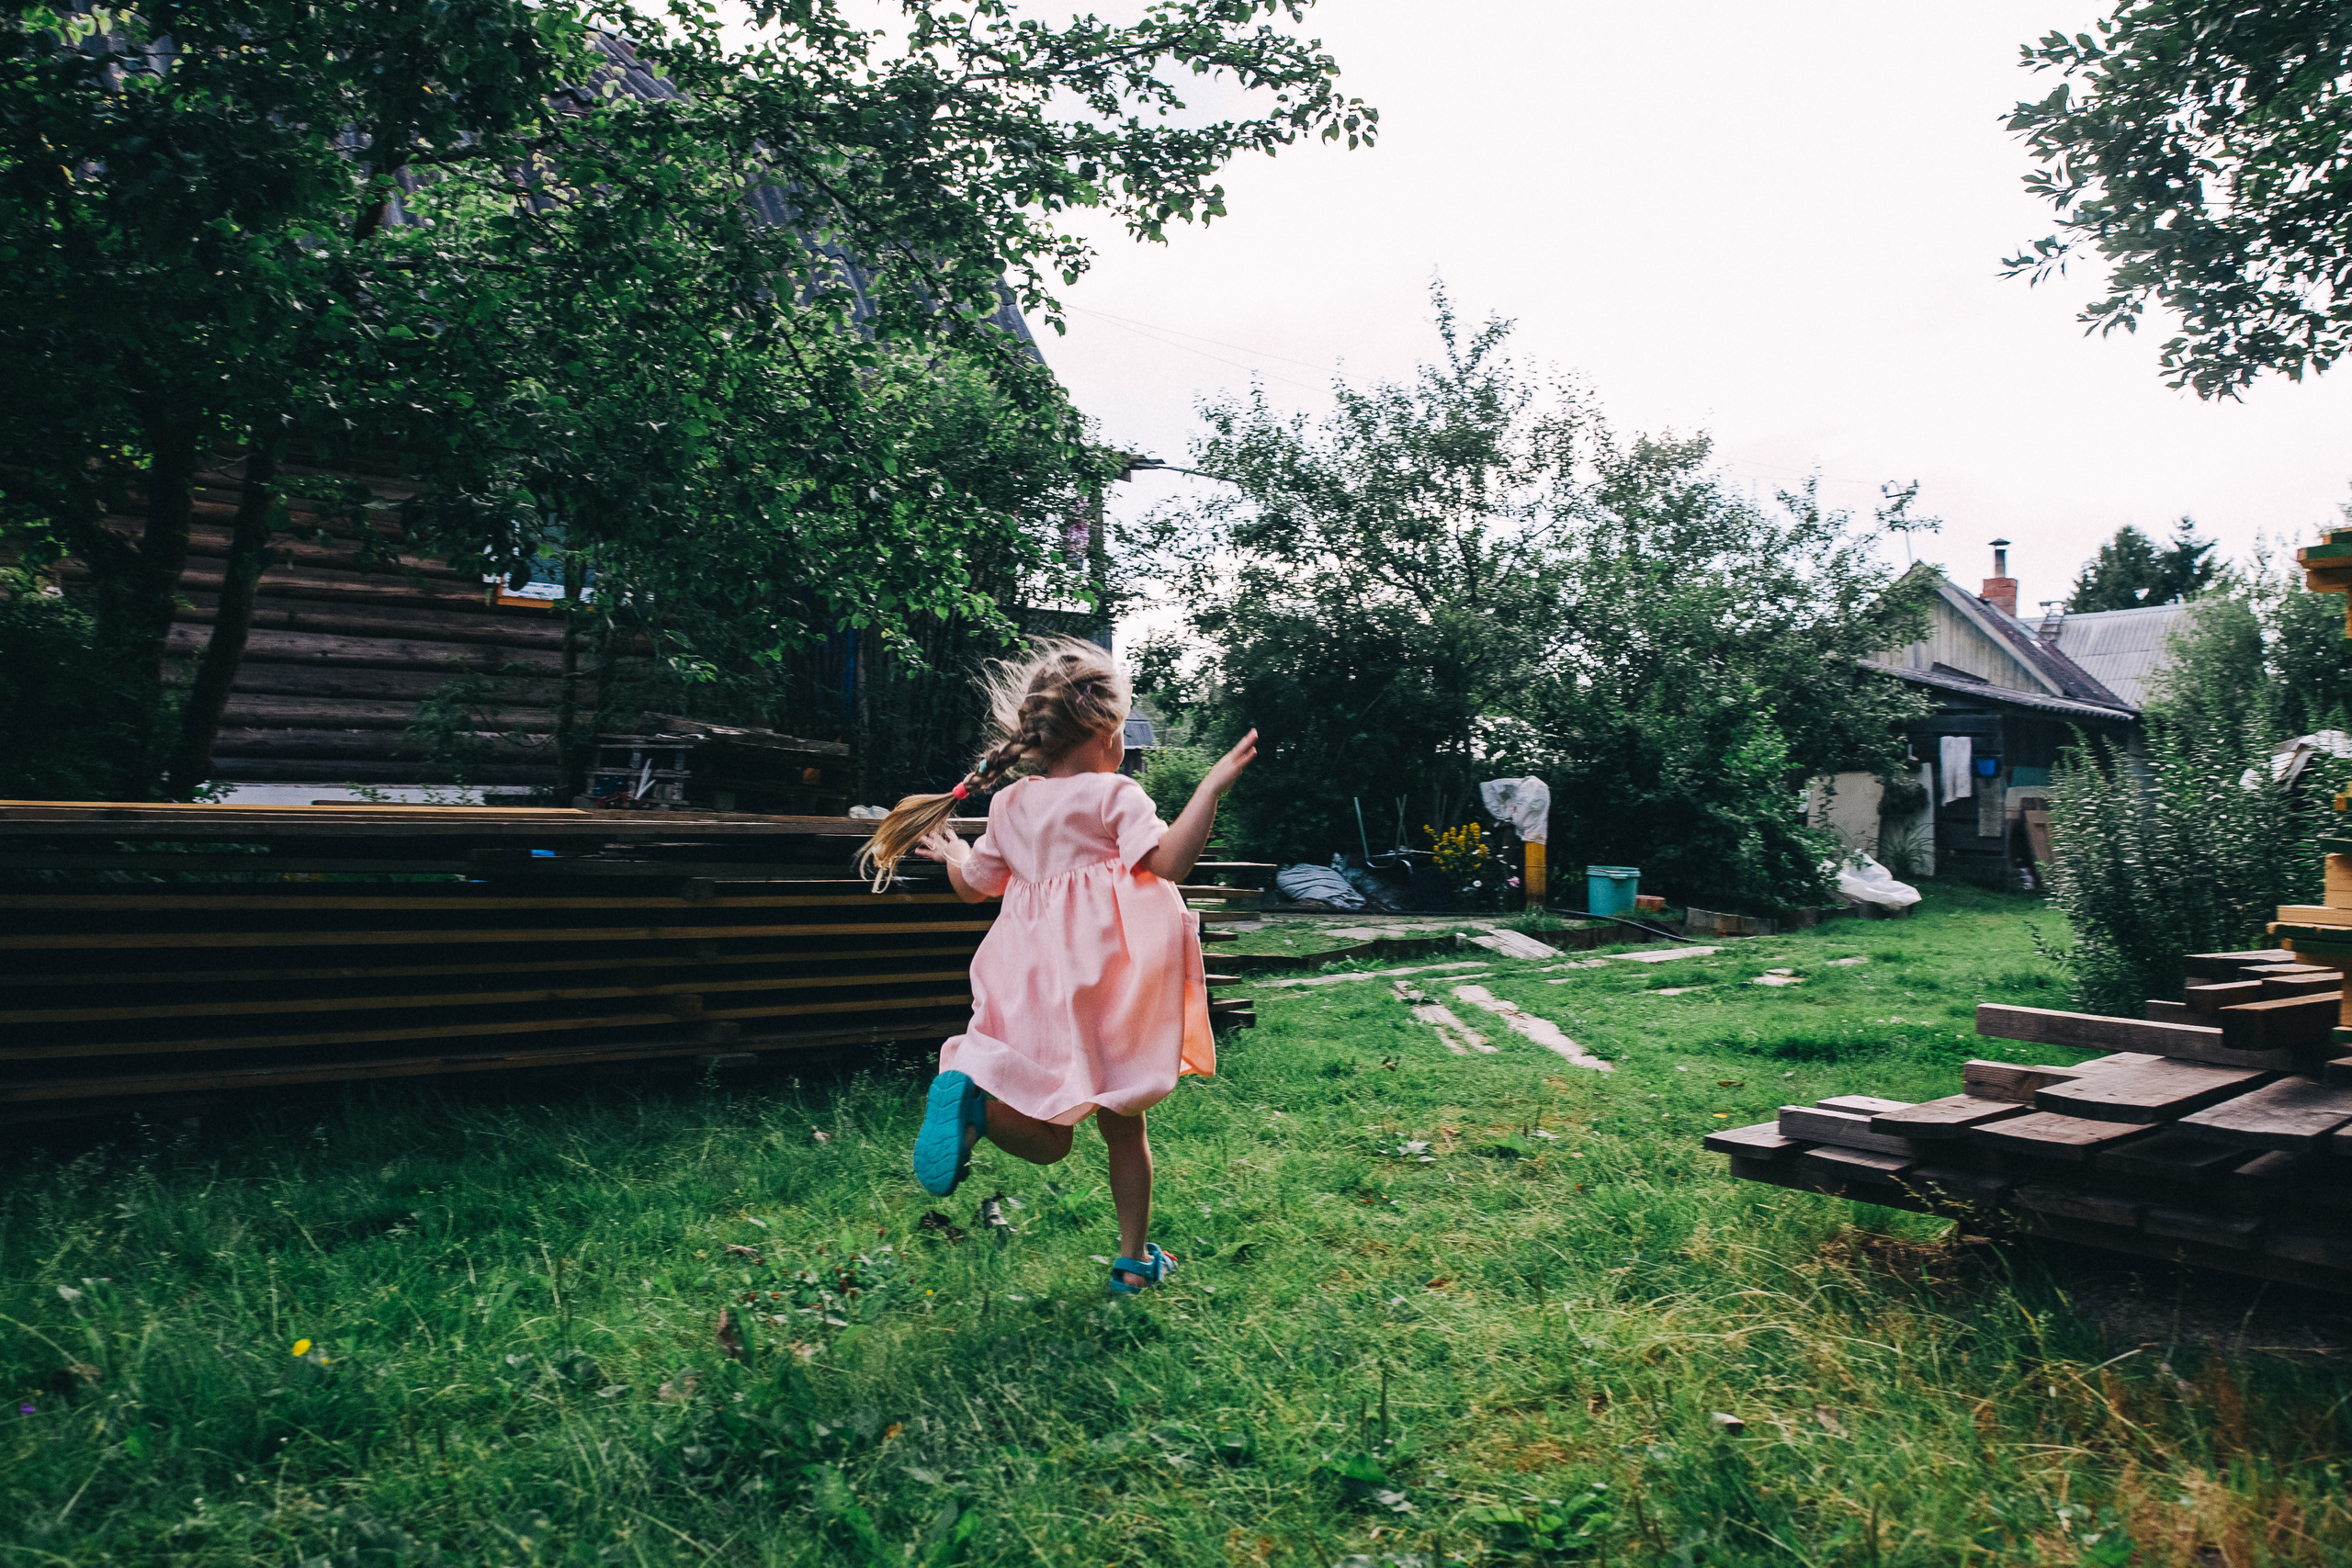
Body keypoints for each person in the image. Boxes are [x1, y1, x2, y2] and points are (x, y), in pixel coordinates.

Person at [858, 638, 1257, 1295]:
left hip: (1035, 989)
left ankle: (977, 1105)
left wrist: (957, 854)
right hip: (1104, 989)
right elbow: (1168, 864)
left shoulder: (1014, 806)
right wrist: (1210, 787)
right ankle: (1133, 1261)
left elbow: (975, 887)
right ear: (1105, 731)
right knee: (1122, 1125)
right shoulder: (1113, 795)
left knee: (1051, 1138)